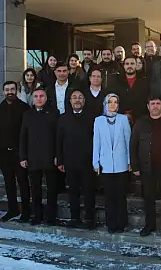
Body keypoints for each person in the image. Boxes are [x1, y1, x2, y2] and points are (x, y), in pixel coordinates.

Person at [130, 96, 161, 238]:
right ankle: (149, 225)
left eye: (157, 103)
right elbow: (133, 145)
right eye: (152, 104)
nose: (155, 106)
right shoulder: (140, 123)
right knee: (148, 198)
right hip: (147, 167)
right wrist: (135, 165)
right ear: (148, 106)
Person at [0, 81, 31, 222]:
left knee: (23, 182)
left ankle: (26, 211)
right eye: (7, 90)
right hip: (4, 154)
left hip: (20, 153)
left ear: (17, 91)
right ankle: (12, 210)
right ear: (3, 92)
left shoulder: (25, 108)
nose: (10, 92)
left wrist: (26, 153)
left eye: (12, 89)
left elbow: (28, 132)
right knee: (9, 183)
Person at [56, 89, 97, 229]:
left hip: (88, 161)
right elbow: (59, 140)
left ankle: (89, 219)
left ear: (84, 101)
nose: (77, 100)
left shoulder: (92, 117)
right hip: (70, 161)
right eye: (74, 97)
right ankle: (75, 217)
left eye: (80, 97)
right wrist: (60, 160)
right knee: (73, 191)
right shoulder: (63, 118)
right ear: (70, 101)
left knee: (89, 190)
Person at [19, 88, 60, 226]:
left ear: (46, 98)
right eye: (36, 96)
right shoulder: (27, 115)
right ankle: (37, 215)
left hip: (50, 157)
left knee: (52, 189)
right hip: (33, 157)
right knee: (35, 189)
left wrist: (58, 155)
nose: (39, 98)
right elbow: (23, 137)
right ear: (33, 99)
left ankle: (51, 216)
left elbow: (58, 137)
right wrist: (23, 157)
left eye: (41, 96)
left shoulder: (54, 113)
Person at [92, 94, 132, 233]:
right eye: (110, 102)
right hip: (106, 164)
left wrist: (129, 161)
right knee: (109, 196)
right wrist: (95, 162)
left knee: (120, 195)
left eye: (116, 102)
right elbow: (96, 142)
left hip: (121, 163)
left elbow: (128, 141)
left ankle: (122, 223)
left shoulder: (123, 119)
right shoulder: (98, 121)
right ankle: (111, 224)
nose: (113, 104)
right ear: (105, 104)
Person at [117, 56, 150, 122]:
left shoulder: (145, 82)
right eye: (127, 64)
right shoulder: (117, 81)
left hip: (140, 119)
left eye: (132, 63)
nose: (129, 66)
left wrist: (133, 115)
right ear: (124, 66)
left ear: (136, 65)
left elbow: (145, 101)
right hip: (120, 118)